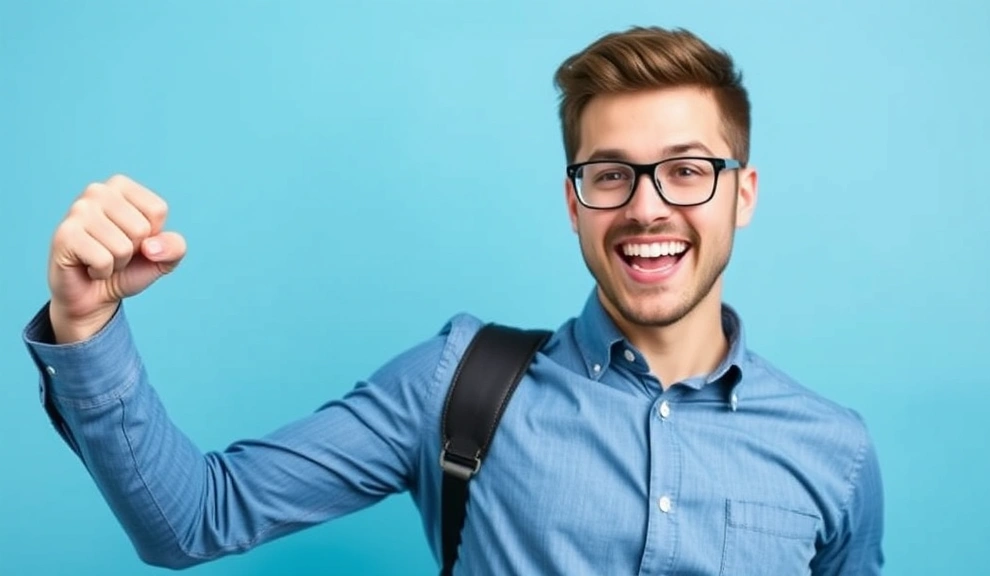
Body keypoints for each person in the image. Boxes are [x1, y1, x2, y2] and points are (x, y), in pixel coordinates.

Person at [21, 25, 884, 575]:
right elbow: (192, 521)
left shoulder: (833, 452)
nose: (648, 205)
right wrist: (88, 325)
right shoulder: (460, 384)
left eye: (689, 170)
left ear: (744, 193)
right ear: (572, 199)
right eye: (610, 173)